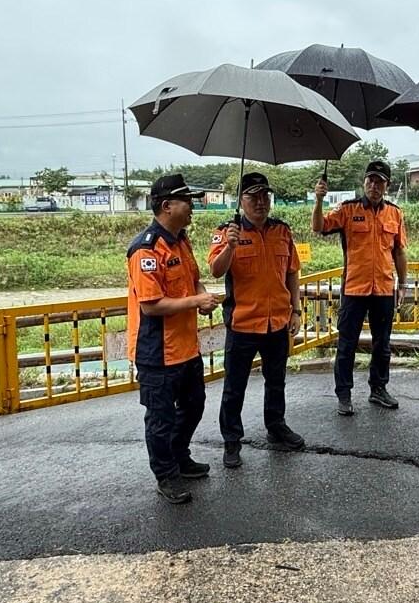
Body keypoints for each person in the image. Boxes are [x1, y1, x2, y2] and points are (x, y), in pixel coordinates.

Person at [126, 174, 219, 504]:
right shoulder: (146, 249)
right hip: (157, 352)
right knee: (160, 418)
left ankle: (179, 456)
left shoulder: (182, 241)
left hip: (185, 347)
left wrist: (203, 296)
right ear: (167, 206)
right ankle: (165, 475)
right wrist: (196, 302)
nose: (192, 207)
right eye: (187, 201)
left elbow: (194, 281)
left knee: (194, 405)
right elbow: (151, 306)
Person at [207, 172, 305, 468]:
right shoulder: (227, 232)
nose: (260, 202)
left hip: (277, 322)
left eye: (265, 196)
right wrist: (231, 246)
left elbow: (292, 272)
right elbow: (215, 270)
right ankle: (232, 440)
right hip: (243, 323)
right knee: (234, 386)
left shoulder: (282, 231)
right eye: (253, 197)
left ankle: (276, 426)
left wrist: (296, 310)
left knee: (276, 381)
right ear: (241, 201)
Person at [312, 159, 408, 415]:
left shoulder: (395, 213)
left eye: (379, 181)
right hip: (354, 288)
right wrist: (319, 199)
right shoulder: (348, 209)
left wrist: (403, 283)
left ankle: (378, 389)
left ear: (387, 185)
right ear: (364, 182)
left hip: (384, 289)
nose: (373, 186)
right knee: (347, 344)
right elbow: (318, 226)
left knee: (382, 344)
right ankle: (344, 394)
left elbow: (399, 252)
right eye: (370, 180)